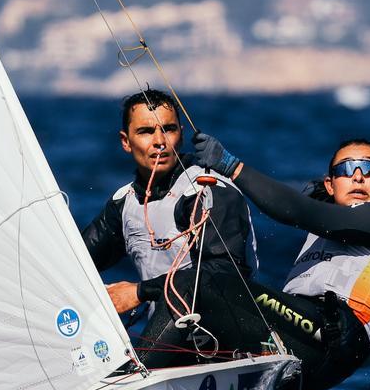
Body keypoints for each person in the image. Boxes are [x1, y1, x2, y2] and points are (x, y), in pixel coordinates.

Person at [106, 135, 370, 390]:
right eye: (347, 168)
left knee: (194, 285)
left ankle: (125, 389)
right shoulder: (328, 233)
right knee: (198, 326)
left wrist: (231, 166)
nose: (359, 175)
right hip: (296, 345)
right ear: (331, 183)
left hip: (327, 342)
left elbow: (299, 210)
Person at [81, 89, 257, 313]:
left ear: (181, 135)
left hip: (225, 333)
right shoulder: (124, 203)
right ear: (126, 141)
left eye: (168, 129)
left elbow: (224, 274)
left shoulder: (207, 190)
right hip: (169, 334)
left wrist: (139, 292)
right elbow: (74, 263)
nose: (159, 141)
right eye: (145, 132)